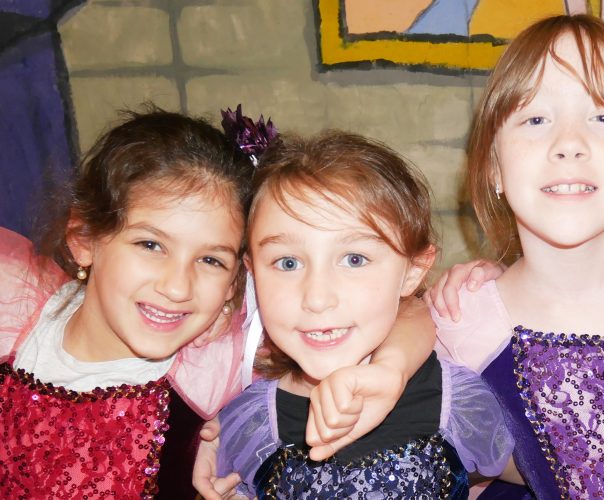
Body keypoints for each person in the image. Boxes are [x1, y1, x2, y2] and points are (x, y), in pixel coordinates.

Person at [0, 107, 439, 499]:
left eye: (211, 260)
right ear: (83, 239)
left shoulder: (215, 356)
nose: (177, 287)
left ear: (235, 281)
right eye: (150, 245)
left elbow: (407, 308)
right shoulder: (15, 305)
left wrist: (391, 369)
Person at [427, 14, 604, 499]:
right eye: (535, 119)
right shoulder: (460, 325)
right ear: (493, 166)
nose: (569, 144)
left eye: (603, 117)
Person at [215, 130, 514, 499]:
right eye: (288, 262)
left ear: (413, 271)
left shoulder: (459, 405)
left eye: (354, 259)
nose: (317, 299)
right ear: (252, 271)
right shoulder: (247, 424)